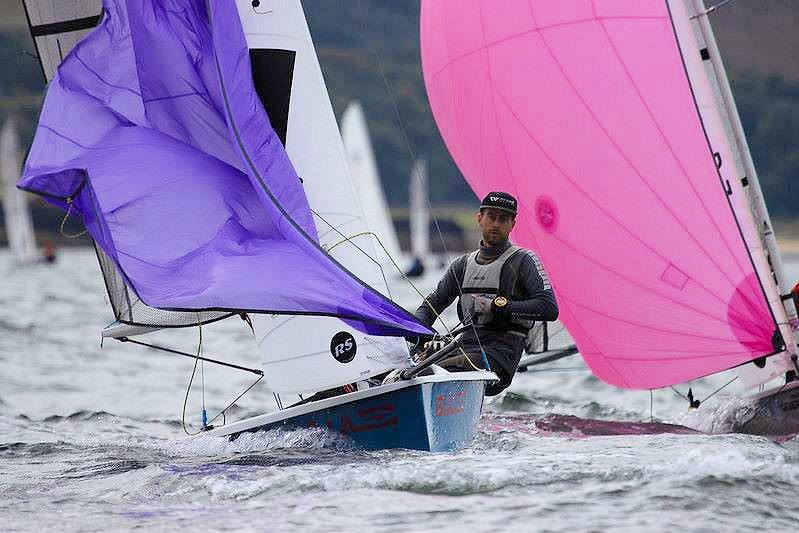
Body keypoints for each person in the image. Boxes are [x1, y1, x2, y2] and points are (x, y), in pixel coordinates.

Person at [408, 191, 558, 396]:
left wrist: (501, 306)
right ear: (480, 218)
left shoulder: (523, 261)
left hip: (499, 356)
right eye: (491, 217)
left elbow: (549, 309)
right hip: (463, 349)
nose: (496, 224)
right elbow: (430, 307)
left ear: (512, 224)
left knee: (425, 372)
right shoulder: (461, 265)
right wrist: (418, 333)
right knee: (402, 371)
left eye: (503, 219)